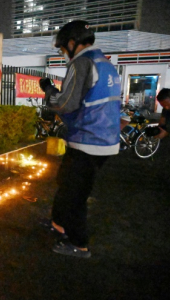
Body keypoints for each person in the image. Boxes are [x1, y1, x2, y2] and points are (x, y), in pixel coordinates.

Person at [38, 20, 121, 258]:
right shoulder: (104, 64)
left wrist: (48, 90)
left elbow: (66, 103)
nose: (64, 54)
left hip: (88, 140)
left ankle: (79, 243)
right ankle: (57, 223)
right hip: (103, 139)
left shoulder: (82, 62)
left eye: (64, 49)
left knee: (75, 194)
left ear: (73, 43)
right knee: (66, 183)